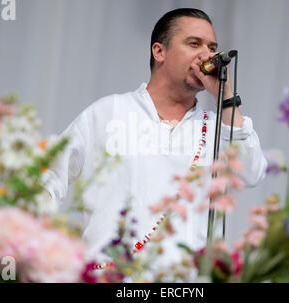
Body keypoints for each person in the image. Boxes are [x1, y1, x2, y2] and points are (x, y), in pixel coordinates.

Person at [42, 8, 267, 272]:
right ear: (159, 51)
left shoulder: (219, 126)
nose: (207, 55)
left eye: (212, 47)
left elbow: (253, 173)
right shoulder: (109, 112)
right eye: (194, 43)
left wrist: (225, 98)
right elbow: (46, 180)